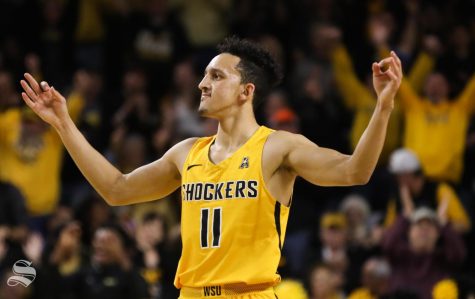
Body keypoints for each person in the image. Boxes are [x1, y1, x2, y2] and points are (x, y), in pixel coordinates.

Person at [19, 37, 402, 298]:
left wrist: (383, 107)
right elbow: (116, 189)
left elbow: (355, 171)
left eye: (216, 76)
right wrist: (64, 125)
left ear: (245, 91)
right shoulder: (186, 153)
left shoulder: (277, 147)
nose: (202, 83)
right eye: (204, 75)